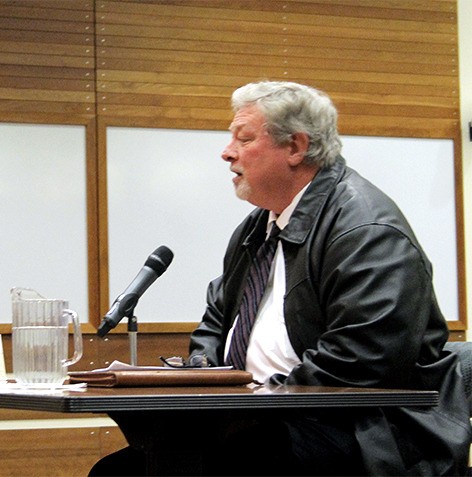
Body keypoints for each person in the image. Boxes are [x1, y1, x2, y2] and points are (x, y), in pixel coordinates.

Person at [90, 81, 470, 476]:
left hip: (367, 430)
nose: (226, 152)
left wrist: (257, 397)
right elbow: (216, 322)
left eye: (244, 138)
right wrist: (207, 374)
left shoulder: (366, 231)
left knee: (233, 463)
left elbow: (361, 363)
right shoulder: (257, 228)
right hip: (269, 420)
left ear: (295, 147)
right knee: (120, 471)